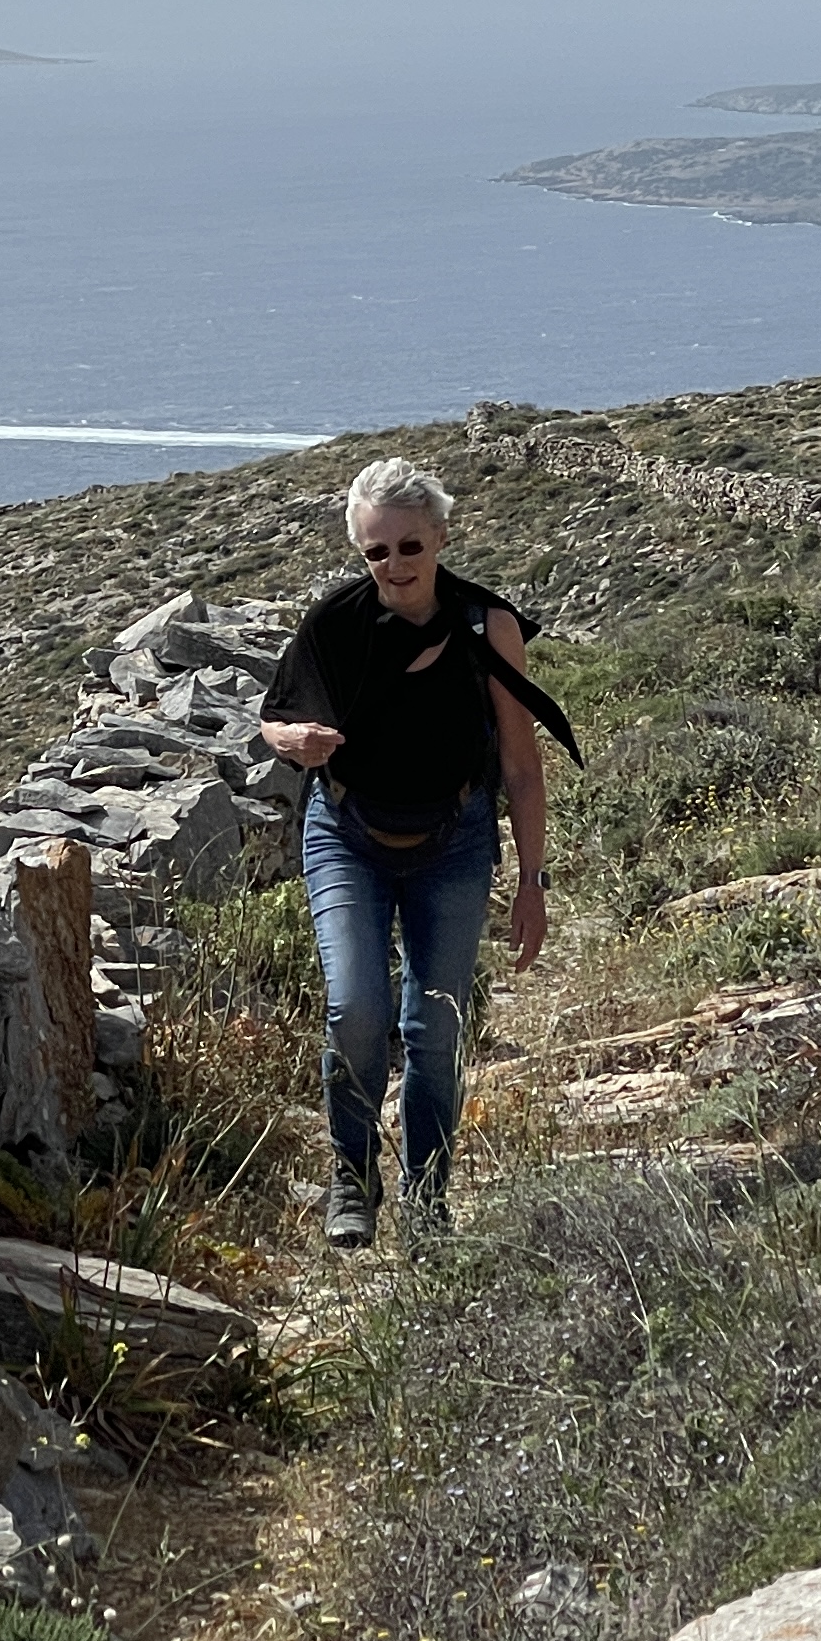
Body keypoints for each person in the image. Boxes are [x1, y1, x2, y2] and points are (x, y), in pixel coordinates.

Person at [257, 457, 577, 1248]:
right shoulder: (335, 625)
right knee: (356, 1007)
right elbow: (274, 718)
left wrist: (532, 881)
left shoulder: (485, 627)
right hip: (346, 835)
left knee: (436, 1025)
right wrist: (295, 743)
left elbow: (521, 766)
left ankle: (429, 1201)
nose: (394, 566)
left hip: (453, 841)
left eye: (409, 546)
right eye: (377, 552)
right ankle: (353, 1178)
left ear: (440, 537)